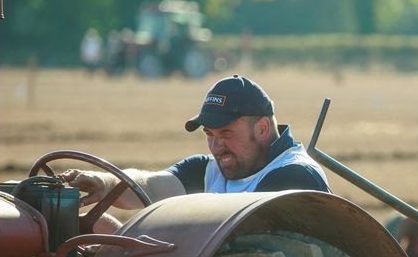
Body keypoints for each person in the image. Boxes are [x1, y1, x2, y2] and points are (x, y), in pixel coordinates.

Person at [60, 75, 330, 232]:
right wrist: (105, 183)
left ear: (261, 129)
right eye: (209, 135)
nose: (216, 147)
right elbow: (150, 187)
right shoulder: (207, 170)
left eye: (225, 134)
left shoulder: (293, 177)